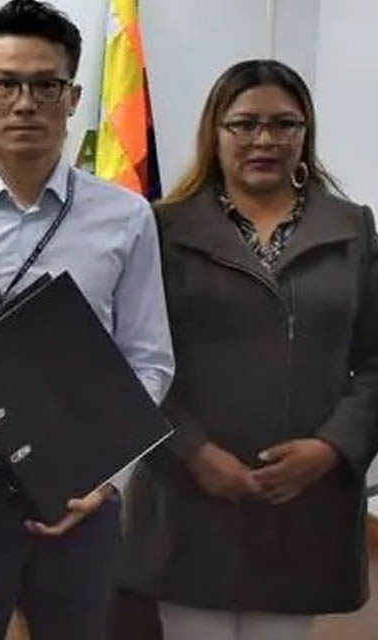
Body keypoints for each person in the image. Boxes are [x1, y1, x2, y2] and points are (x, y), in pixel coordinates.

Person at [0, 2, 175, 638]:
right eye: (6, 85)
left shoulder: (126, 218)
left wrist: (108, 480)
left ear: (73, 96)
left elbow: (149, 357)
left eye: (45, 85)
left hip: (84, 478)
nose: (24, 103)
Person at [121, 59, 378, 640]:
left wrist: (331, 448)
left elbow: (375, 363)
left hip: (303, 506)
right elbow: (129, 360)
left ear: (305, 133)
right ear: (215, 132)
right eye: (244, 124)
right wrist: (191, 451)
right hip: (189, 502)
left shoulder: (352, 229)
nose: (265, 139)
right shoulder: (160, 230)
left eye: (284, 124)